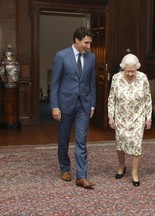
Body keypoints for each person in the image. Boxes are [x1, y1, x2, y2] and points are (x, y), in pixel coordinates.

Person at [50, 27, 96, 189]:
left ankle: (81, 176)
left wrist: (92, 104)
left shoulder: (91, 58)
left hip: (83, 105)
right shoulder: (61, 56)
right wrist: (55, 106)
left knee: (81, 141)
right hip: (64, 105)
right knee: (63, 140)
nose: (89, 46)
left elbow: (91, 83)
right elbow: (54, 84)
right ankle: (64, 168)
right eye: (86, 43)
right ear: (76, 40)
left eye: (90, 43)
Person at [108, 53, 152, 187]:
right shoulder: (116, 78)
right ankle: (122, 166)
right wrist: (111, 116)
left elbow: (148, 98)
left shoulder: (143, 78)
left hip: (138, 116)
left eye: (133, 71)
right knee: (120, 142)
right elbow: (112, 98)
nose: (131, 74)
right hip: (121, 117)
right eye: (128, 71)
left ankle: (135, 173)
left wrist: (148, 118)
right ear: (123, 68)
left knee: (136, 144)